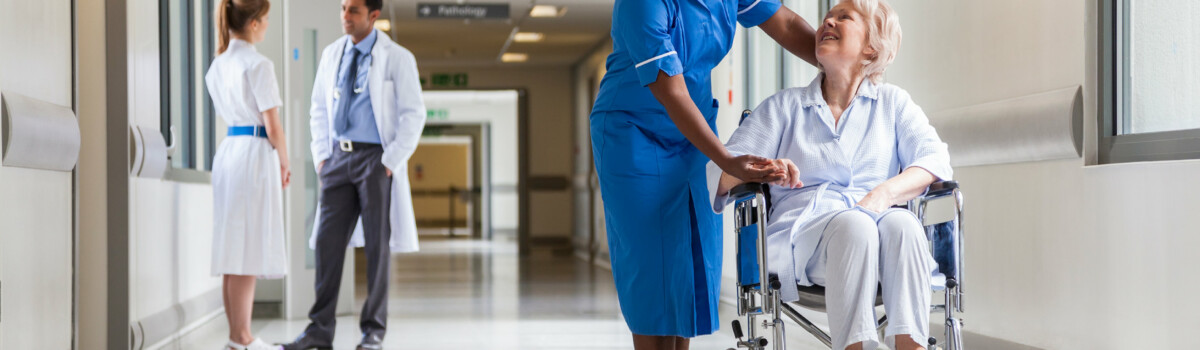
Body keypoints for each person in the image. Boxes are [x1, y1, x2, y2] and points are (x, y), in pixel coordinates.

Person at [709, 1, 952, 349]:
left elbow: (935, 160)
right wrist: (762, 168)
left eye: (844, 17)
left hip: (881, 227)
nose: (828, 21)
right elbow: (722, 171)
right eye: (828, 15)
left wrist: (883, 195)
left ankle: (909, 344)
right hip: (805, 237)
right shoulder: (784, 107)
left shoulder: (893, 104)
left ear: (871, 46)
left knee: (904, 225)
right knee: (856, 225)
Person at [588, 0, 821, 349]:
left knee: (689, 255)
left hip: (694, 131)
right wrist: (727, 159)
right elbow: (670, 89)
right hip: (633, 132)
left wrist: (839, 65)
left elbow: (784, 23)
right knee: (650, 264)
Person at [282, 0, 426, 348]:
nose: (345, 17)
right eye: (343, 8)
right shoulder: (332, 54)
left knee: (378, 248)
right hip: (337, 161)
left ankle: (373, 332)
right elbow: (317, 107)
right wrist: (321, 158)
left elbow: (414, 114)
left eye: (354, 11)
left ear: (374, 16)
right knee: (327, 245)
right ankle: (319, 331)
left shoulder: (398, 57)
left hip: (376, 160)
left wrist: (389, 161)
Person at [206, 0, 288, 349]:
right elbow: (273, 127)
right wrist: (285, 161)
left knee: (233, 248)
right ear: (254, 23)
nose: (267, 26)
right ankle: (242, 337)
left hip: (229, 153)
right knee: (248, 248)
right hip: (254, 155)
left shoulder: (218, 65)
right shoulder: (259, 64)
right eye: (266, 20)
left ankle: (236, 335)